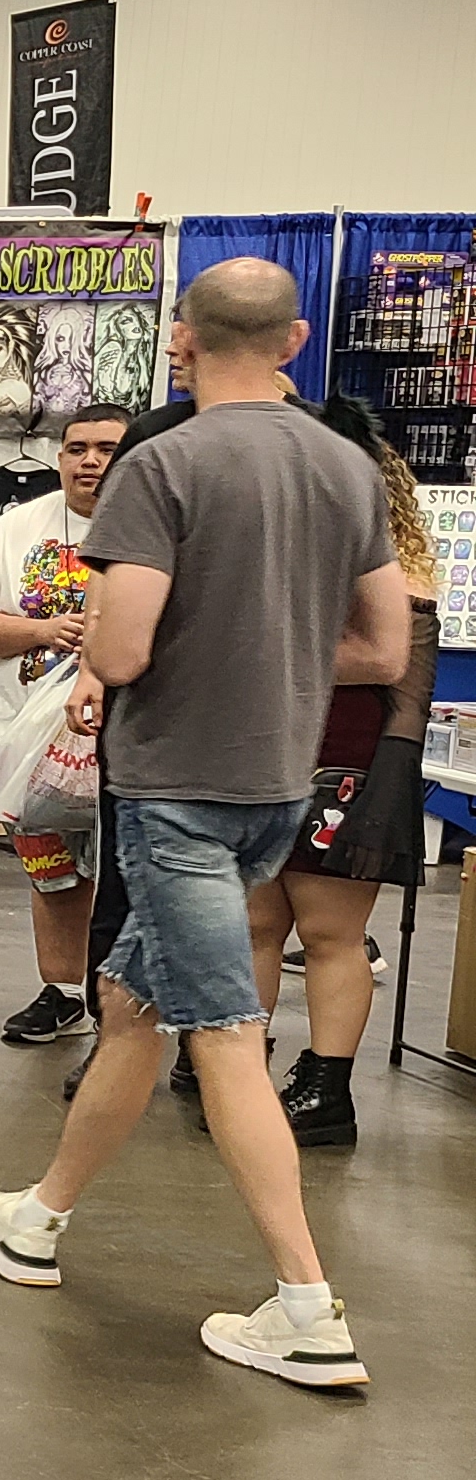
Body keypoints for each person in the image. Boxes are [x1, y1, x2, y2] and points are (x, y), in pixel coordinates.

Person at [0, 259, 405, 1392]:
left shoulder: (164, 467)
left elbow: (119, 651)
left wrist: (154, 657)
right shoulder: (349, 468)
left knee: (226, 1037)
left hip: (177, 797)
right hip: (276, 789)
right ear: (296, 338)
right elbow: (384, 649)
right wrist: (280, 667)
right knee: (129, 1004)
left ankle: (306, 1305)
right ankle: (38, 1219)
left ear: (180, 341)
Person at [242, 401, 440, 1150]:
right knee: (257, 924)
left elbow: (403, 682)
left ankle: (327, 1086)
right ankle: (238, 1070)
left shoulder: (395, 567)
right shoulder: (287, 547)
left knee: (330, 933)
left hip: (346, 761)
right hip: (268, 752)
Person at [0, 407, 128, 1045]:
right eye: (76, 447)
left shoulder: (162, 527)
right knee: (52, 867)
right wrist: (44, 631)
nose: (89, 460)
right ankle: (63, 992)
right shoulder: (17, 526)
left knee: (137, 871)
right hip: (25, 735)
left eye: (106, 448)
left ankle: (135, 1007)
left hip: (130, 739)